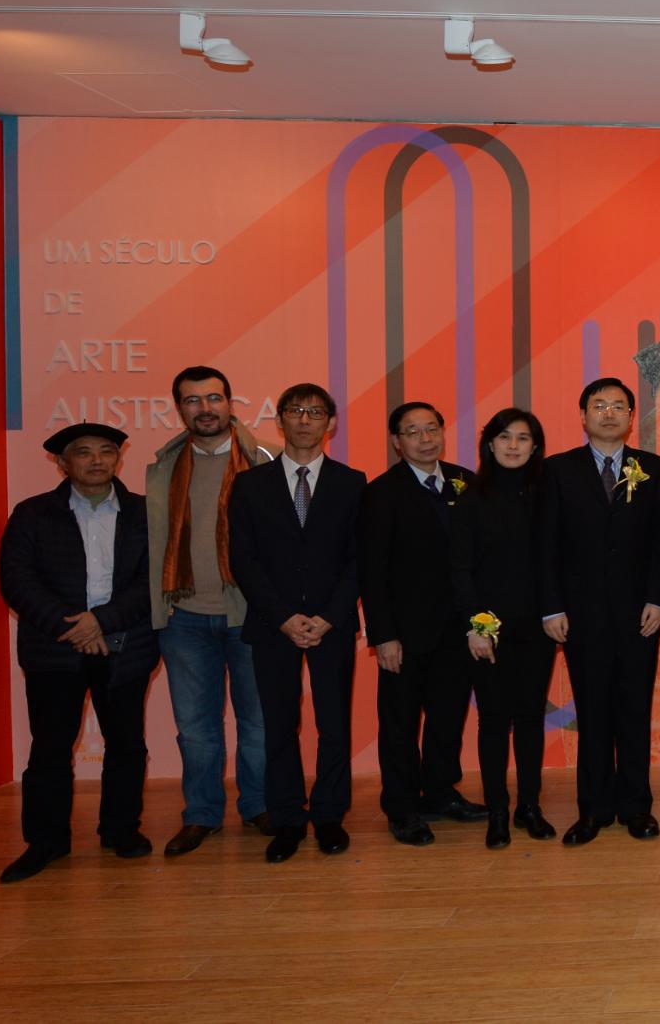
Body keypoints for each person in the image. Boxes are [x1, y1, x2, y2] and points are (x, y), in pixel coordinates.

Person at [0, 423, 158, 882]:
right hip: (54, 648)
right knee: (50, 747)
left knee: (126, 743)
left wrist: (101, 621)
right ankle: (45, 842)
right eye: (83, 452)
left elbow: (154, 578)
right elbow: (16, 579)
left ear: (118, 459)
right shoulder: (32, 513)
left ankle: (121, 830)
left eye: (106, 451)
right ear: (62, 463)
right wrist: (76, 627)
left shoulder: (146, 512)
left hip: (123, 643)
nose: (97, 460)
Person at [228, 384, 368, 863]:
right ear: (280, 421)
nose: (305, 420)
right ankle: (286, 818)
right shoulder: (250, 485)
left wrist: (328, 617)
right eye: (295, 411)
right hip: (273, 625)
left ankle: (329, 816)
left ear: (331, 423)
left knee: (334, 724)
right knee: (278, 725)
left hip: (332, 624)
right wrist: (284, 617)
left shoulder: (352, 482)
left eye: (315, 412)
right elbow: (243, 559)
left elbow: (359, 559)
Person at [145, 365, 279, 857]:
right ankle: (201, 814)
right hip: (183, 619)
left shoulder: (267, 460)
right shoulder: (163, 467)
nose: (205, 409)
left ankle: (260, 806)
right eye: (192, 400)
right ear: (179, 408)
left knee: (258, 724)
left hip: (252, 616)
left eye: (213, 398)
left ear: (230, 402)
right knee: (196, 729)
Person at [537, 377, 660, 844]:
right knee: (593, 712)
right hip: (581, 615)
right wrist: (551, 608)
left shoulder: (653, 468)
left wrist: (658, 598)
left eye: (618, 406)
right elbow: (546, 545)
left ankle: (637, 808)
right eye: (599, 406)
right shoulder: (557, 470)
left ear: (632, 417)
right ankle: (592, 810)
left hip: (640, 615)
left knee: (634, 710)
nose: (609, 413)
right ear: (583, 415)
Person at [358, 401, 486, 849]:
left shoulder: (466, 481)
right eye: (412, 432)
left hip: (458, 629)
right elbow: (372, 571)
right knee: (399, 723)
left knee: (448, 717)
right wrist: (383, 635)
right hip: (405, 633)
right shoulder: (381, 492)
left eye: (431, 429)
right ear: (397, 442)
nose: (425, 439)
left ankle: (440, 793)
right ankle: (401, 806)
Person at [452, 408, 557, 848]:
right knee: (493, 720)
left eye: (523, 437)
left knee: (530, 717)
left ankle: (528, 806)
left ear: (535, 447)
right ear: (489, 444)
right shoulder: (471, 499)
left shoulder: (547, 496)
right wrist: (475, 627)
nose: (513, 445)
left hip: (538, 626)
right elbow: (459, 570)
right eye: (504, 437)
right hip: (488, 630)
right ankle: (497, 809)